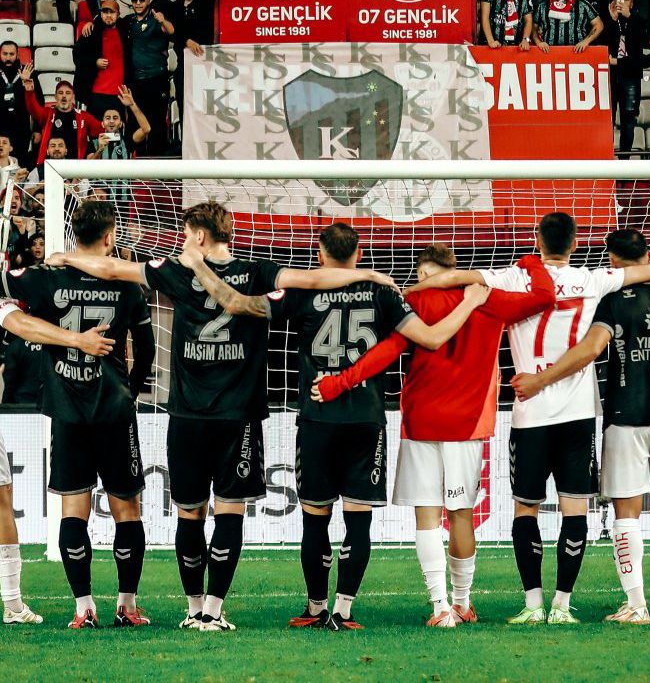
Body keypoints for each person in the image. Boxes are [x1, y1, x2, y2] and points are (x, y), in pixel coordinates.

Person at [51, 201, 390, 631]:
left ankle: (194, 608)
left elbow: (114, 269)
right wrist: (367, 275)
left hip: (188, 415)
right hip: (238, 415)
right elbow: (312, 278)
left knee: (190, 514)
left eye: (184, 234)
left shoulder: (178, 270)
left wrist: (67, 258)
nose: (181, 241)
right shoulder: (257, 270)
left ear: (198, 235)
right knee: (230, 512)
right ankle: (212, 609)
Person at [186, 222, 494, 630]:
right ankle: (344, 611)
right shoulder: (384, 292)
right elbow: (430, 338)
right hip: (366, 418)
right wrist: (469, 301)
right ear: (359, 254)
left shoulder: (303, 290)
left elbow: (241, 305)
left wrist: (199, 268)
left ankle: (316, 608)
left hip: (318, 417)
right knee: (358, 518)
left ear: (320, 254)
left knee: (315, 517)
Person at [415, 212, 650, 625]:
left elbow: (455, 278)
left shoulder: (514, 277)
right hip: (578, 413)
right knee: (574, 509)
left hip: (529, 411)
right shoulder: (593, 279)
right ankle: (562, 605)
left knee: (526, 508)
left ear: (538, 240)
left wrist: (415, 286)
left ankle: (533, 604)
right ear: (575, 243)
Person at [0, 200, 155, 629]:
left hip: (62, 409)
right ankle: (125, 605)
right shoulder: (128, 286)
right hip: (111, 407)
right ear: (109, 237)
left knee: (72, 509)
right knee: (126, 509)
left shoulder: (44, 279)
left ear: (73, 237)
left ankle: (82, 607)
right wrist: (132, 389)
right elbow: (145, 349)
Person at [310, 248, 555, 626]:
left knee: (426, 517)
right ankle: (462, 603)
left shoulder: (417, 301)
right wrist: (533, 263)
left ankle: (440, 608)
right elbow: (544, 297)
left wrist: (339, 383)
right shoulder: (486, 298)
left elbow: (385, 352)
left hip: (421, 421)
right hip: (467, 424)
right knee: (461, 515)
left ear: (424, 272)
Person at [514, 228, 650, 625]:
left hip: (624, 417)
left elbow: (590, 349)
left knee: (626, 512)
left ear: (613, 261)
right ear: (649, 253)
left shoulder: (611, 298)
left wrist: (540, 379)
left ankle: (636, 605)